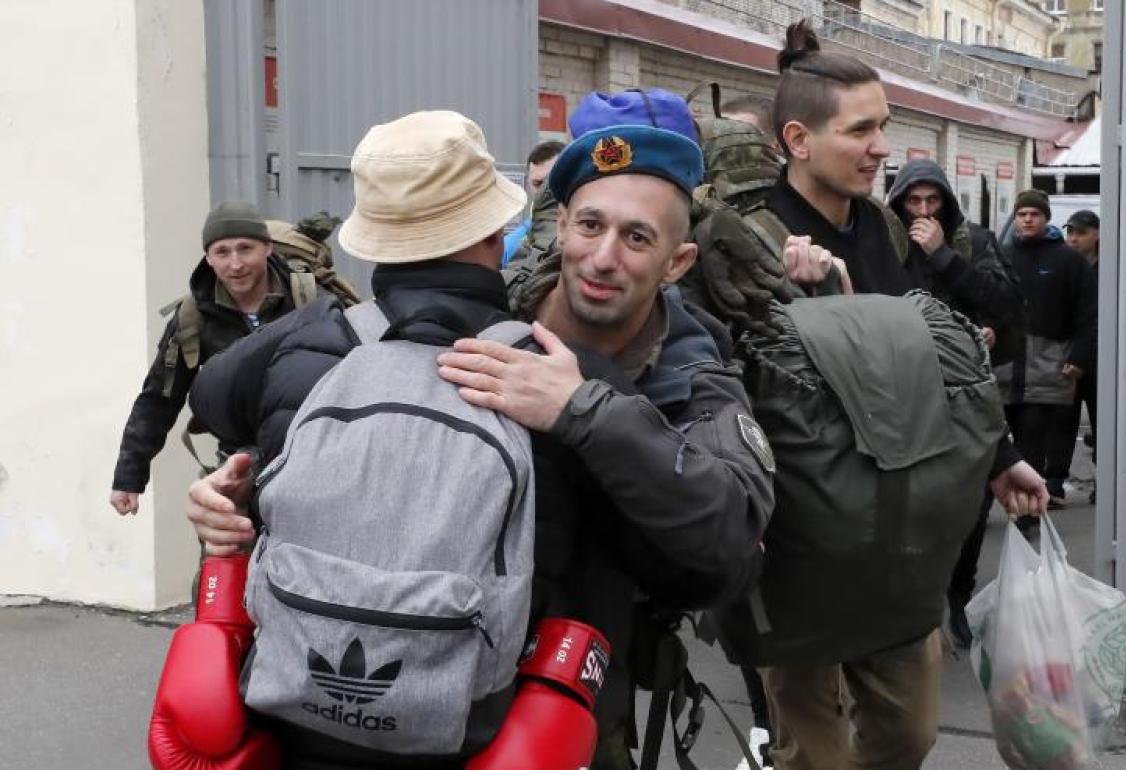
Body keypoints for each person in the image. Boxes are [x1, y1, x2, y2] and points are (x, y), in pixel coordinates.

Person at [184, 104, 773, 770]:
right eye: (590, 225)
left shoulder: (686, 366)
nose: (604, 257)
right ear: (535, 229)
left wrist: (587, 413)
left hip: (321, 705)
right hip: (509, 722)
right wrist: (242, 486)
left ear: (679, 260)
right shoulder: (508, 327)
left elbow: (719, 551)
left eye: (637, 237)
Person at [698, 20, 1049, 770]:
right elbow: (716, 382)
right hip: (796, 537)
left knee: (907, 735)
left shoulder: (885, 228)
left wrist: (999, 456)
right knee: (813, 754)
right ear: (798, 139)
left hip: (892, 528)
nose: (881, 147)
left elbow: (931, 361)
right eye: (861, 130)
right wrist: (792, 299)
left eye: (882, 126)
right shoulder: (745, 237)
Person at [885, 157, 1027, 648]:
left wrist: (944, 256)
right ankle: (915, 606)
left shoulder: (976, 242)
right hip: (905, 390)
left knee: (972, 504)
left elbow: (1005, 303)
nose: (924, 211)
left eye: (933, 200)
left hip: (969, 392)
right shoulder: (886, 244)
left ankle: (960, 596)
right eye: (914, 201)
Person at [108, 201, 316, 517]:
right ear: (208, 258)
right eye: (222, 252)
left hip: (309, 454)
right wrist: (129, 478)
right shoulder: (193, 317)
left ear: (267, 248)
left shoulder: (308, 300)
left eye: (245, 248)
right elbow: (159, 399)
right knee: (228, 543)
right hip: (238, 464)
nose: (236, 264)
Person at [997, 191, 1097, 510]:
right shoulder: (1000, 255)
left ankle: (1036, 501)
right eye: (1022, 214)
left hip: (1049, 365)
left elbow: (1089, 313)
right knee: (1000, 439)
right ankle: (1011, 501)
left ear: (1046, 218)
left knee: (1037, 436)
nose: (1028, 220)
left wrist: (1079, 356)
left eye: (1035, 214)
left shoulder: (1068, 260)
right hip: (1005, 366)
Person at [1061, 209, 1100, 500]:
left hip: (1100, 357)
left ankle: (1104, 481)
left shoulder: (1110, 266)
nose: (1074, 238)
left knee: (1102, 423)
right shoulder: (1064, 264)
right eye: (1070, 232)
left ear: (1097, 234)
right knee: (1063, 422)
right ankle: (1054, 482)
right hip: (1069, 353)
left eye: (1081, 233)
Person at [502, 140, 565, 266]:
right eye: (538, 184)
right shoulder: (509, 247)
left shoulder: (589, 238)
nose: (545, 191)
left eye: (551, 181)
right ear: (528, 183)